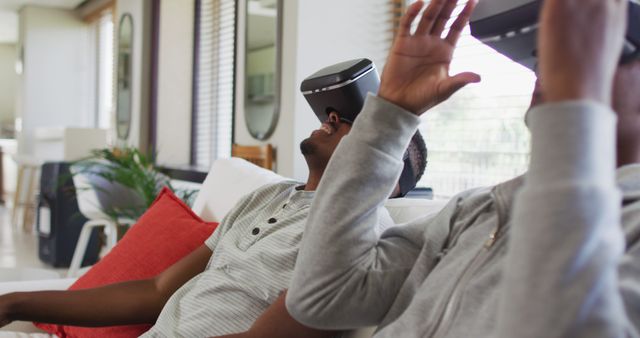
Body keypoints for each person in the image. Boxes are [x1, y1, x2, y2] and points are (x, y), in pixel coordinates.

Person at [284, 0, 640, 337]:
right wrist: (390, 115)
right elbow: (322, 299)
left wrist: (575, 109)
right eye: (542, 58)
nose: (549, 68)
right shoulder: (475, 211)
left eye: (602, 52)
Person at [0, 111, 427, 337]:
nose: (333, 115)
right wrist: (13, 304)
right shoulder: (269, 195)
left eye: (359, 122)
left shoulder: (360, 233)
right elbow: (156, 290)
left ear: (388, 170)